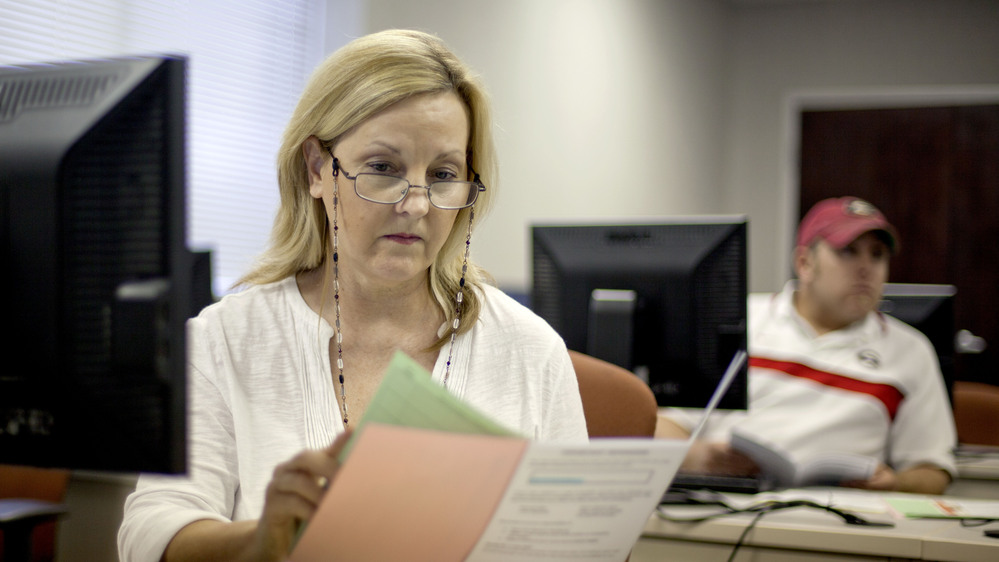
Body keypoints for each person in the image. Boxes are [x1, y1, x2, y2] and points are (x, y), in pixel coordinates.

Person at [118, 29, 588, 562]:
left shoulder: (530, 351)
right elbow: (149, 535)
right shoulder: (224, 340)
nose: (416, 204)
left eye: (443, 174)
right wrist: (260, 540)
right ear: (317, 169)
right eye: (384, 168)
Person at [657, 197, 957, 495]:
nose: (866, 268)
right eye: (848, 251)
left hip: (836, 521)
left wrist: (894, 483)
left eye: (877, 255)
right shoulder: (736, 320)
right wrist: (700, 457)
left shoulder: (911, 351)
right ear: (805, 263)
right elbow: (664, 424)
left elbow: (932, 473)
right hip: (723, 504)